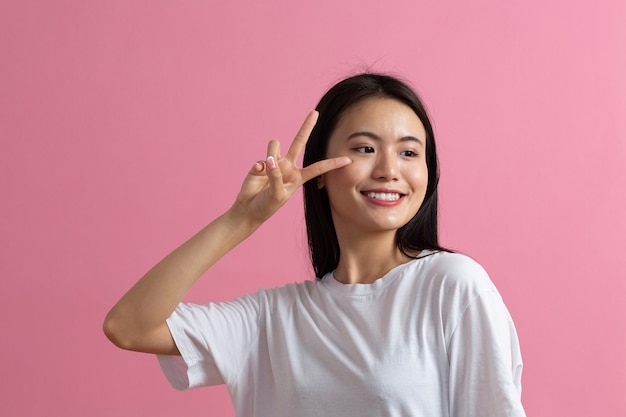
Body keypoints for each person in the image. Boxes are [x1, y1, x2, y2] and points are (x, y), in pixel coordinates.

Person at [104, 73, 526, 417]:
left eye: (410, 153)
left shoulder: (452, 285)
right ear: (318, 170)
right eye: (365, 148)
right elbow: (129, 326)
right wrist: (242, 220)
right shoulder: (273, 320)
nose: (389, 170)